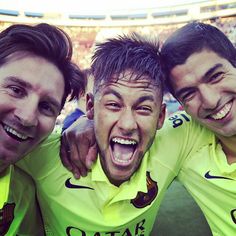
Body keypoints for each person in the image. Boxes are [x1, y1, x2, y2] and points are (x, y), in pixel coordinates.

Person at [17, 33, 207, 235]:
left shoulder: (174, 143)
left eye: (143, 108)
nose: (127, 125)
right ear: (91, 106)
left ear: (161, 116)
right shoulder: (43, 154)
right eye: (113, 105)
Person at [61, 22, 236, 236]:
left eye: (216, 76)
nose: (210, 101)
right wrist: (90, 121)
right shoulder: (188, 137)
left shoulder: (188, 136)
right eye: (189, 93)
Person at [0, 23, 85, 235]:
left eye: (46, 106)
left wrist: (91, 123)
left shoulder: (23, 194)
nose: (27, 117)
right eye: (16, 90)